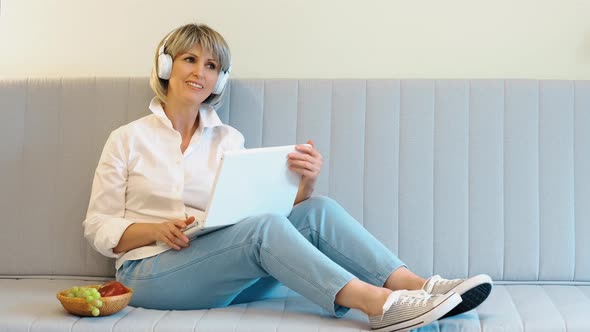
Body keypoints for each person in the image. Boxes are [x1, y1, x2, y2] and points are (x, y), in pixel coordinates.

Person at [83, 23, 492, 332]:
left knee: (319, 210)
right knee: (261, 230)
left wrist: (304, 186)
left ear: (219, 80)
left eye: (211, 66)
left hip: (219, 262)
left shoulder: (229, 139)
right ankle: (380, 305)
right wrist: (156, 229)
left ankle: (419, 286)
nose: (200, 72)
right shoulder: (127, 139)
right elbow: (98, 227)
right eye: (190, 60)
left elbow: (259, 216)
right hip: (149, 272)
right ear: (167, 65)